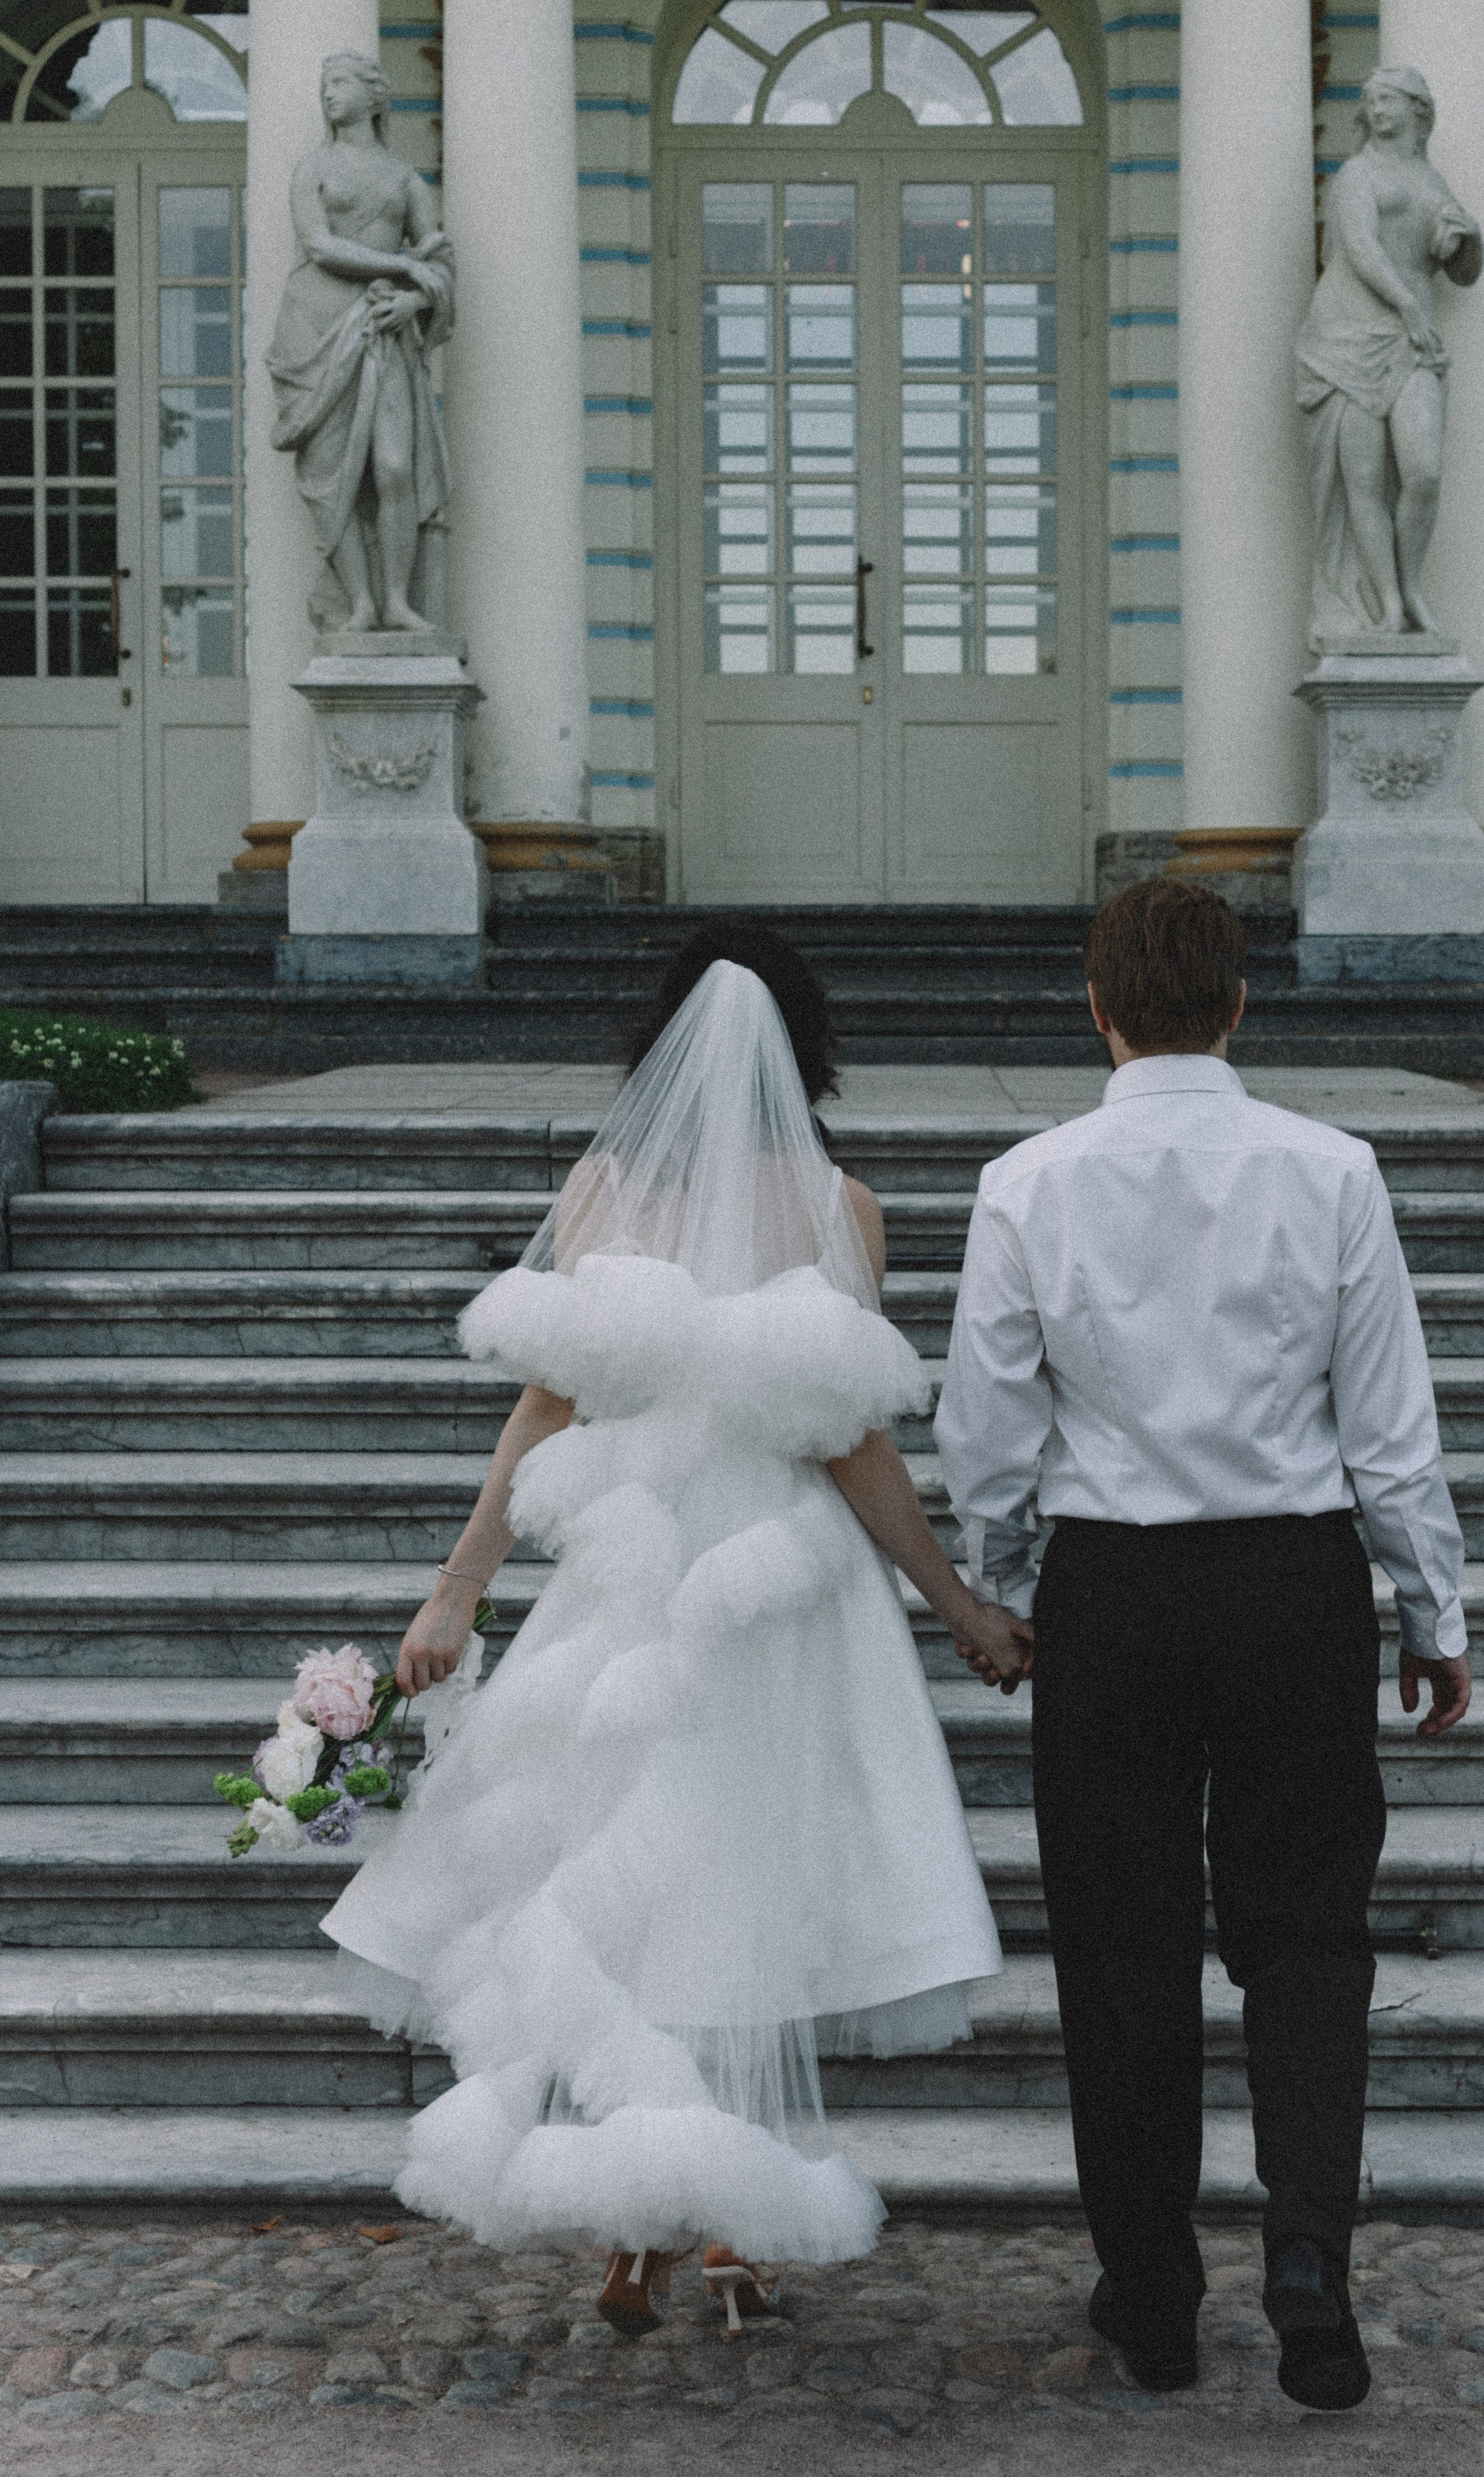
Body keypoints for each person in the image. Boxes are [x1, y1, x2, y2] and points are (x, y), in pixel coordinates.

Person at [325, 920, 1030, 2333]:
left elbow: (545, 1402)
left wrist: (458, 1586)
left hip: (628, 1584)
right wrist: (956, 1605)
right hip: (776, 1593)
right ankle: (719, 2225)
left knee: (624, 1894)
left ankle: (639, 2234)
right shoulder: (839, 1208)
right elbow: (850, 1449)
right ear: (806, 1050)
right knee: (741, 1891)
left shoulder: (602, 1191)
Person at [935, 878, 1470, 2406]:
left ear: (1097, 1011)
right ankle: (1306, 2253)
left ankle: (1153, 2296)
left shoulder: (1026, 1183)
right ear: (1238, 1005)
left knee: (1122, 1948)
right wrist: (1427, 1609)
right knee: (1307, 1938)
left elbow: (985, 1426)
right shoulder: (1332, 1170)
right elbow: (1388, 1429)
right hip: (1292, 1586)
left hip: (1112, 1593)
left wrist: (1002, 1585)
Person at [266, 51, 454, 634]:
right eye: (325, 85)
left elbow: (441, 260)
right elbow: (319, 246)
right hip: (315, 326)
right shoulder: (312, 168)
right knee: (330, 475)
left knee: (394, 467)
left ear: (375, 97)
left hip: (383, 325)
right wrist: (400, 266)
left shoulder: (403, 178)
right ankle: (361, 604)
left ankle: (397, 599)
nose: (329, 94)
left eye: (341, 83)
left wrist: (414, 300)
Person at [1296, 64, 1483, 637]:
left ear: (1417, 110)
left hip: (1411, 340)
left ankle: (1410, 586)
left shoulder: (1433, 182)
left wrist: (1469, 238)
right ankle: (1390, 606)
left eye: (1388, 100)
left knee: (1423, 472)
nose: (1377, 110)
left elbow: (1466, 275)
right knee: (1365, 483)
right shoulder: (1357, 174)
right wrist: (1408, 307)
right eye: (1370, 100)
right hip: (1347, 336)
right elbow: (1360, 250)